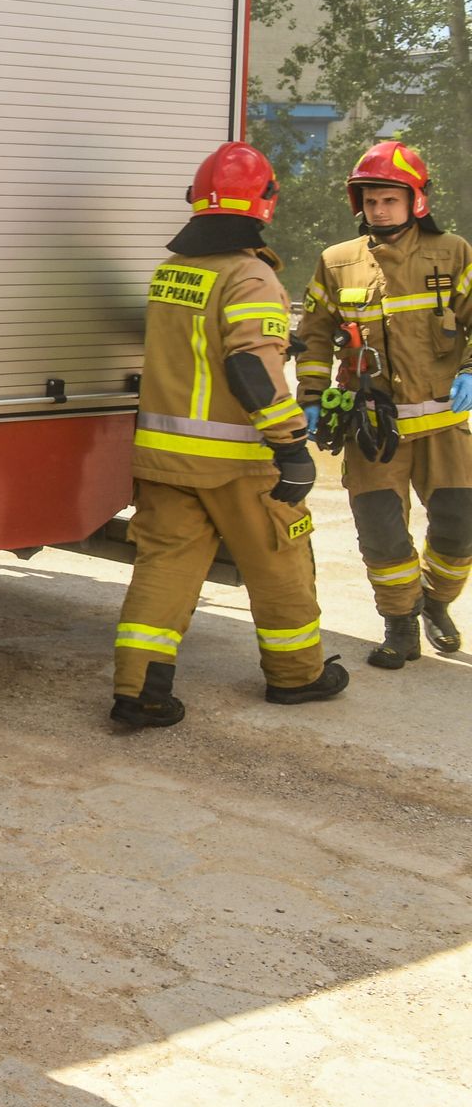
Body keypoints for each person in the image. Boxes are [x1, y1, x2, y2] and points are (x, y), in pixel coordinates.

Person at [110, 141, 346, 729]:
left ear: (197, 203)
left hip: (164, 457)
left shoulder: (173, 272)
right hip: (236, 463)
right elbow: (246, 366)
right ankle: (299, 676)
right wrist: (291, 445)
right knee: (279, 559)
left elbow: (199, 352)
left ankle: (139, 692)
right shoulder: (252, 275)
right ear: (264, 204)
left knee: (164, 568)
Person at [296, 141, 472, 668]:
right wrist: (310, 399)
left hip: (443, 423)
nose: (378, 210)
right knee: (381, 531)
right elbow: (315, 336)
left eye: (390, 199)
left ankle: (435, 603)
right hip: (370, 428)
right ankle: (399, 625)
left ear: (415, 200)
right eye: (370, 200)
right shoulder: (337, 262)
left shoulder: (455, 252)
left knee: (460, 527)